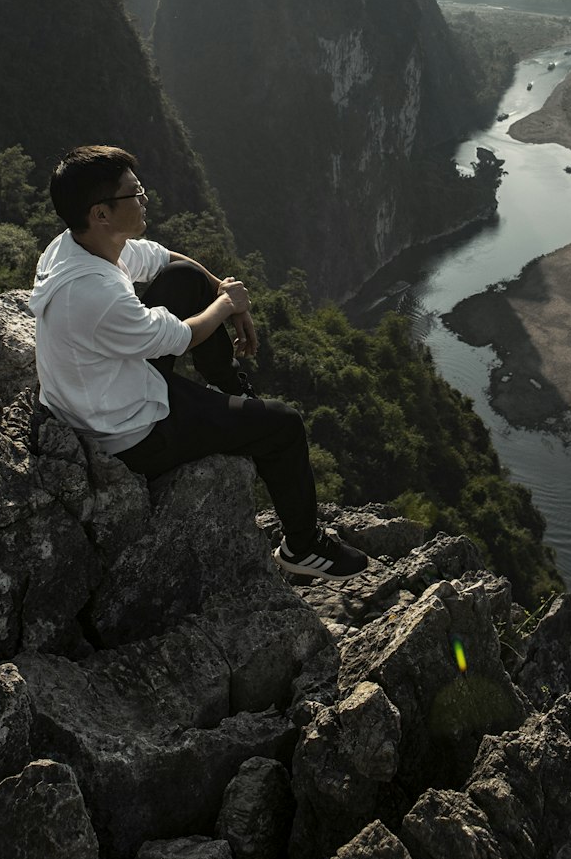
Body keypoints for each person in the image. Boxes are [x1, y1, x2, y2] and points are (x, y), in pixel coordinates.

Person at [30, 144, 368, 581]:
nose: (145, 197)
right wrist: (227, 306)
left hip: (103, 386)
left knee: (186, 280)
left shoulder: (75, 246)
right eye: (134, 193)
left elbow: (168, 258)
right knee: (284, 426)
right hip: (128, 432)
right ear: (102, 213)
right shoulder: (96, 295)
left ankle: (231, 392)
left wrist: (221, 288)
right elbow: (185, 335)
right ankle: (302, 549)